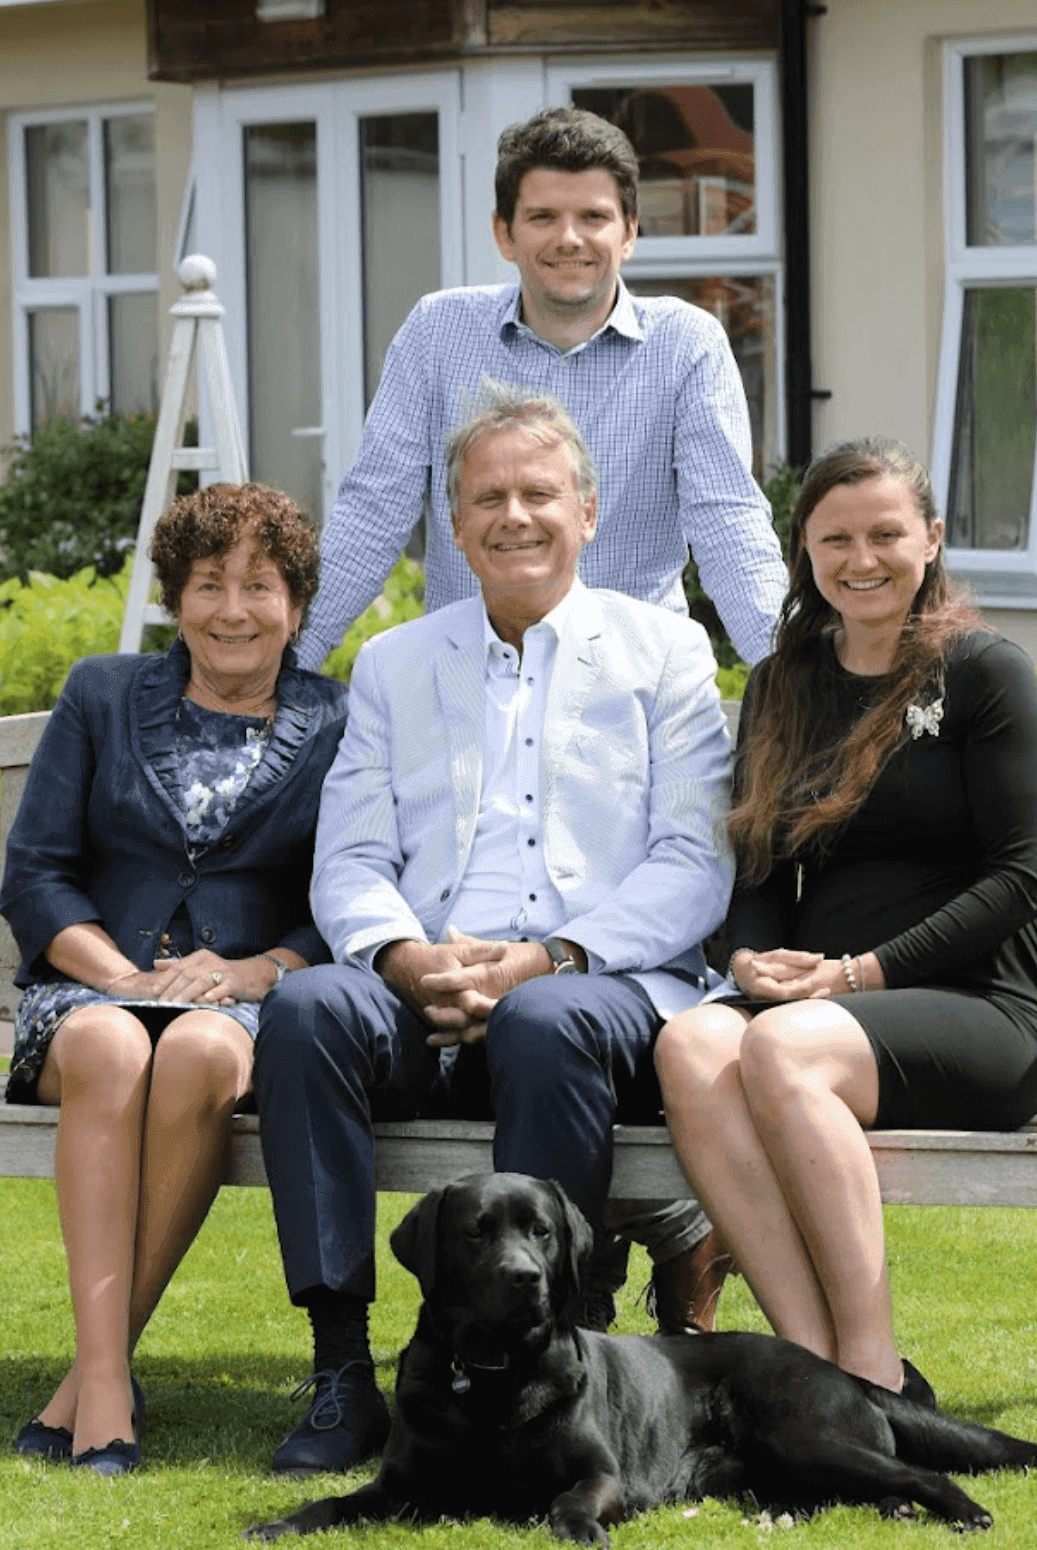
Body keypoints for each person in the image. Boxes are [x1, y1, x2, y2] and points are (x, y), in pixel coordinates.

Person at [252, 384, 736, 1475]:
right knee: (307, 1004)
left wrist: (548, 958)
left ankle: (566, 1365)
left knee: (547, 1020)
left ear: (590, 511)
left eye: (539, 493)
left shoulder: (663, 652)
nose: (514, 515)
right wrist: (400, 955)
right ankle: (340, 1370)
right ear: (454, 523)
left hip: (593, 991)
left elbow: (693, 862)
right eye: (487, 498)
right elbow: (353, 856)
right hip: (424, 992)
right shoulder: (395, 664)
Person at [652, 437, 1037, 1403]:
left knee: (782, 1051)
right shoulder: (783, 681)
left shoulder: (985, 675)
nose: (860, 560)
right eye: (835, 538)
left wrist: (858, 973)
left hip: (974, 1008)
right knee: (691, 1045)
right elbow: (758, 862)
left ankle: (872, 1371)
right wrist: (749, 957)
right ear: (805, 549)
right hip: (817, 1003)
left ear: (932, 540)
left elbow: (1015, 883)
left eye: (885, 534)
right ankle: (812, 1364)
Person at [0, 484, 347, 1476]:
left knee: (195, 1047)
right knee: (113, 1039)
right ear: (175, 597)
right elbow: (35, 876)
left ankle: (91, 1377)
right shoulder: (101, 693)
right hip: (90, 989)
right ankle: (105, 1381)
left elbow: (352, 894)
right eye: (208, 584)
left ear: (297, 601)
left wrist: (252, 969)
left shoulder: (336, 719)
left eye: (259, 585)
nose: (232, 610)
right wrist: (120, 977)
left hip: (235, 1002)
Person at [292, 104, 786, 670]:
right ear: (505, 234)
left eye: (594, 217)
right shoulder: (437, 332)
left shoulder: (686, 344)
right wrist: (287, 670)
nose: (569, 238)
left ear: (629, 233)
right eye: (544, 216)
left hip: (634, 689)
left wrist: (792, 678)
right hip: (471, 680)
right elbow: (373, 512)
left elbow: (729, 525)